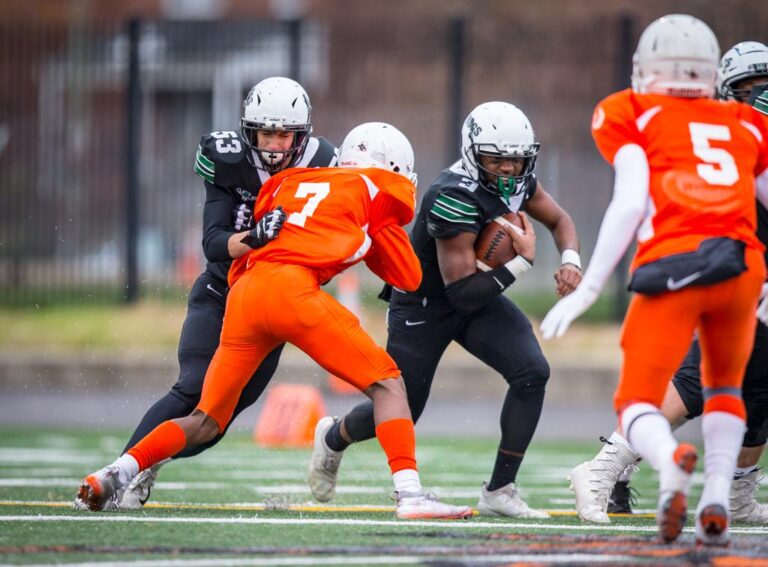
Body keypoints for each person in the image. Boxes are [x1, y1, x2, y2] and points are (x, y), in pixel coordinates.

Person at [76, 122, 474, 520]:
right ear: (391, 167)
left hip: (245, 294)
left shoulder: (288, 182)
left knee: (205, 420)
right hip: (293, 292)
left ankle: (117, 471)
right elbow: (408, 277)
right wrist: (376, 233)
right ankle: (410, 496)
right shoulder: (374, 189)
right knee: (388, 384)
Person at [540, 15, 768, 546]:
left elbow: (629, 200)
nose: (763, 99)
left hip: (722, 266)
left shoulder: (651, 114)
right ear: (720, 85)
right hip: (716, 268)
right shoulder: (734, 128)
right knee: (699, 383)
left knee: (756, 389)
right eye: (753, 89)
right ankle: (605, 468)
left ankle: (730, 491)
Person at [308, 101, 582, 518]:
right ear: (474, 153)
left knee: (532, 373)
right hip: (424, 301)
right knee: (403, 407)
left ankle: (500, 490)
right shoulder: (451, 195)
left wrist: (570, 260)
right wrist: (521, 262)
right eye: (498, 159)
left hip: (476, 291)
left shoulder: (520, 181)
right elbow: (460, 295)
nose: (509, 170)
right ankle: (334, 436)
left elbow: (559, 218)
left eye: (517, 160)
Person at [86, 77, 338, 510]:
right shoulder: (229, 161)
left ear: (302, 134)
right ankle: (120, 472)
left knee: (214, 424)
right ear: (249, 131)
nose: (275, 144)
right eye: (265, 132)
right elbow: (214, 241)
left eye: (283, 133)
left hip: (267, 310)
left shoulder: (324, 162)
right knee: (192, 389)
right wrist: (256, 236)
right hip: (222, 291)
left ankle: (150, 463)